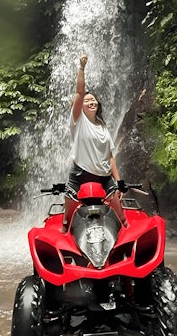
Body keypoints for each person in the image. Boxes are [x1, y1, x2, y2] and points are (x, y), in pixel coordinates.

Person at [64, 54, 127, 231]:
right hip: (80, 173)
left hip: (104, 174)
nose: (91, 102)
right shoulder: (78, 120)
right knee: (65, 221)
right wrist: (82, 67)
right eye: (87, 100)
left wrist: (119, 180)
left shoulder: (102, 125)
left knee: (122, 218)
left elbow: (110, 155)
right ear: (80, 105)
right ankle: (65, 230)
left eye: (93, 100)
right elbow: (79, 91)